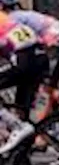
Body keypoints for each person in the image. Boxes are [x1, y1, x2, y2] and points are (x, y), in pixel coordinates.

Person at [0, 0, 59, 97]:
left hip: (56, 46)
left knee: (39, 80)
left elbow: (17, 41)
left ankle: (53, 104)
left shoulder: (12, 18)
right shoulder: (24, 14)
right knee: (36, 78)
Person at [0, 9, 48, 156]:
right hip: (37, 57)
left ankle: (17, 127)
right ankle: (17, 163)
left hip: (26, 59)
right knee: (21, 112)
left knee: (20, 124)